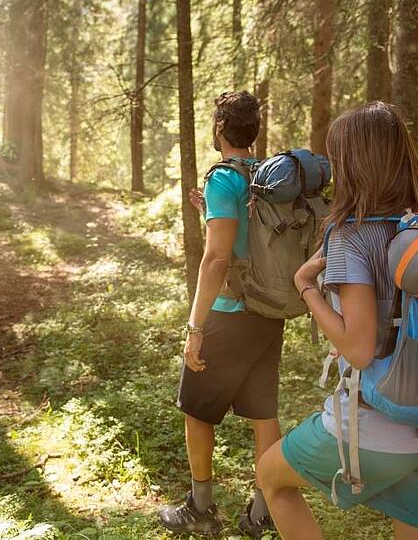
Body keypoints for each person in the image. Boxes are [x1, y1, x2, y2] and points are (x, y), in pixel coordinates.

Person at [256, 102, 418, 540]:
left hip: (374, 429)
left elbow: (359, 349)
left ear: (352, 163)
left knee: (270, 477)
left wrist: (306, 287)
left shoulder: (352, 236)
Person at [158, 91, 284, 537]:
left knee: (196, 410)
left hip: (230, 312)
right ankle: (262, 512)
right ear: (253, 132)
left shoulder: (224, 180)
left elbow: (215, 261)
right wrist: (209, 208)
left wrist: (195, 326)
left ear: (218, 129)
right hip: (268, 312)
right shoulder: (264, 176)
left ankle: (200, 508)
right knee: (263, 414)